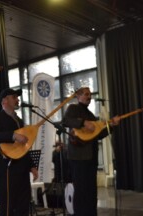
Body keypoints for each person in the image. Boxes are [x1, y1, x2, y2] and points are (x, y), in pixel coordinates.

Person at [62, 87, 120, 216]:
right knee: (81, 190)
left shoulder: (90, 114)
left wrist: (111, 125)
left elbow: (98, 134)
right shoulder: (73, 108)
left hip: (91, 157)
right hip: (78, 157)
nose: (89, 96)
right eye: (86, 94)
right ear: (78, 96)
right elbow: (65, 121)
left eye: (90, 94)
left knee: (91, 191)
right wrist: (83, 123)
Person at [0, 88, 38, 216]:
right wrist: (13, 136)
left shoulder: (19, 120)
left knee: (24, 203)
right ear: (4, 101)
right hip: (7, 168)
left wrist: (32, 166)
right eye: (14, 97)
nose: (18, 99)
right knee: (9, 205)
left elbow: (24, 146)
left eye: (17, 97)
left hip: (22, 167)